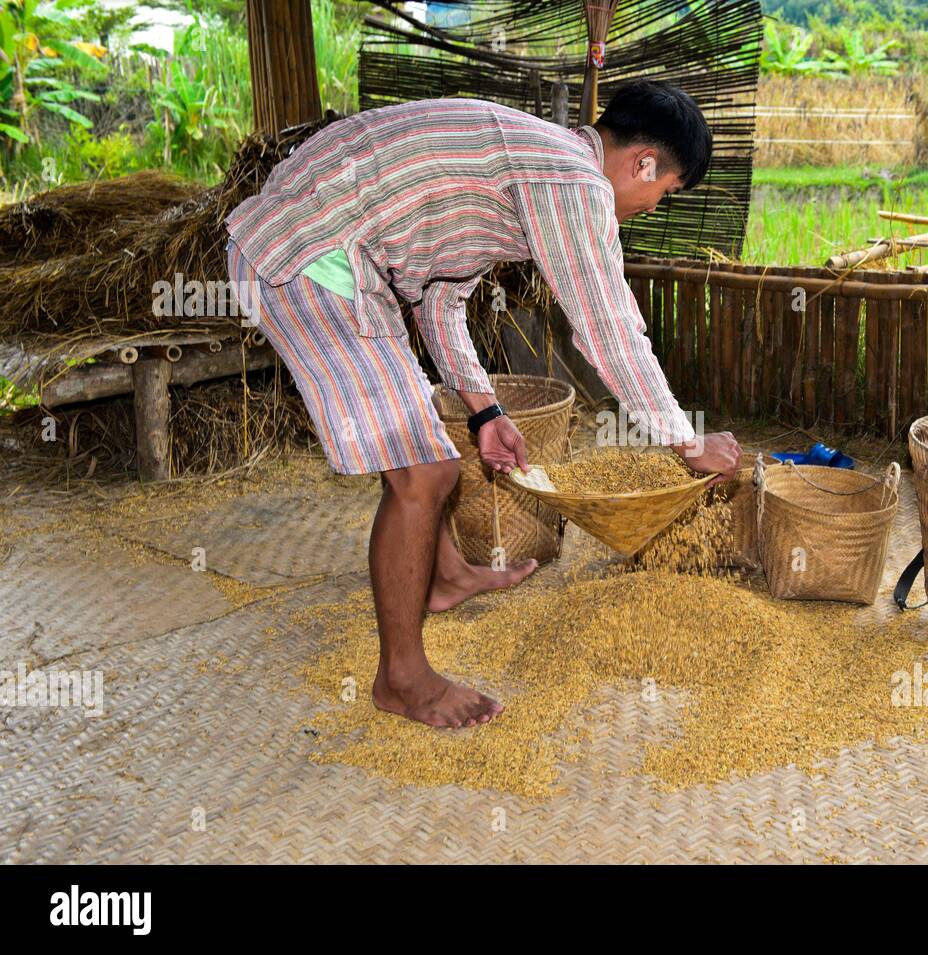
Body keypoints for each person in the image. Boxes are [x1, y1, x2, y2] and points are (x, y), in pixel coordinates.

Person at [224, 80, 742, 730]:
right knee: (424, 473)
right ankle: (402, 679)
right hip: (309, 253)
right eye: (662, 194)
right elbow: (607, 324)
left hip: (338, 249)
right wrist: (687, 441)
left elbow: (440, 296)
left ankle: (442, 578)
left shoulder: (525, 166)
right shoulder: (573, 180)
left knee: (428, 451)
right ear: (643, 164)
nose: (650, 207)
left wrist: (485, 410)